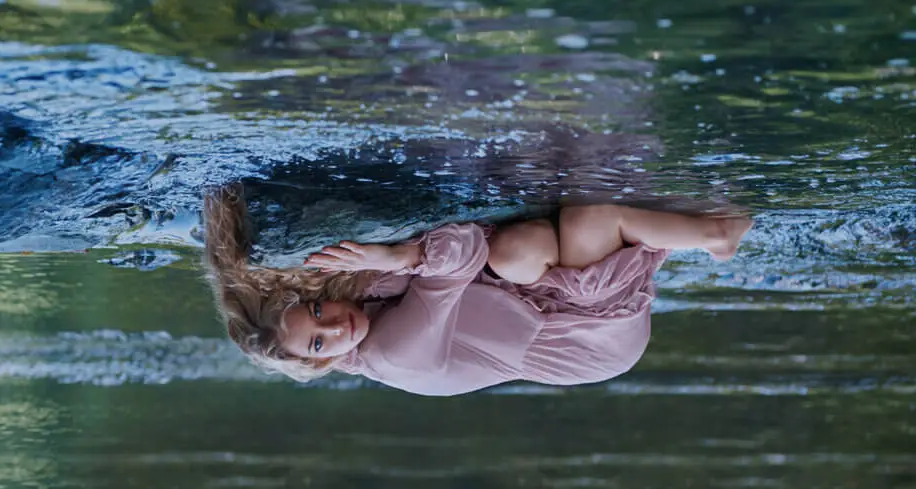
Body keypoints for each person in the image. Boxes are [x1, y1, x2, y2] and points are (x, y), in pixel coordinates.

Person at [203, 185, 753, 396]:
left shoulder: (360, 307)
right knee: (589, 216)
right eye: (320, 343)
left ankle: (689, 232)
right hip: (584, 342)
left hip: (525, 296)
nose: (335, 325)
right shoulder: (396, 355)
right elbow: (462, 249)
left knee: (518, 250)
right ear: (323, 364)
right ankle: (716, 236)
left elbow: (472, 261)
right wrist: (396, 256)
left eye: (318, 311)